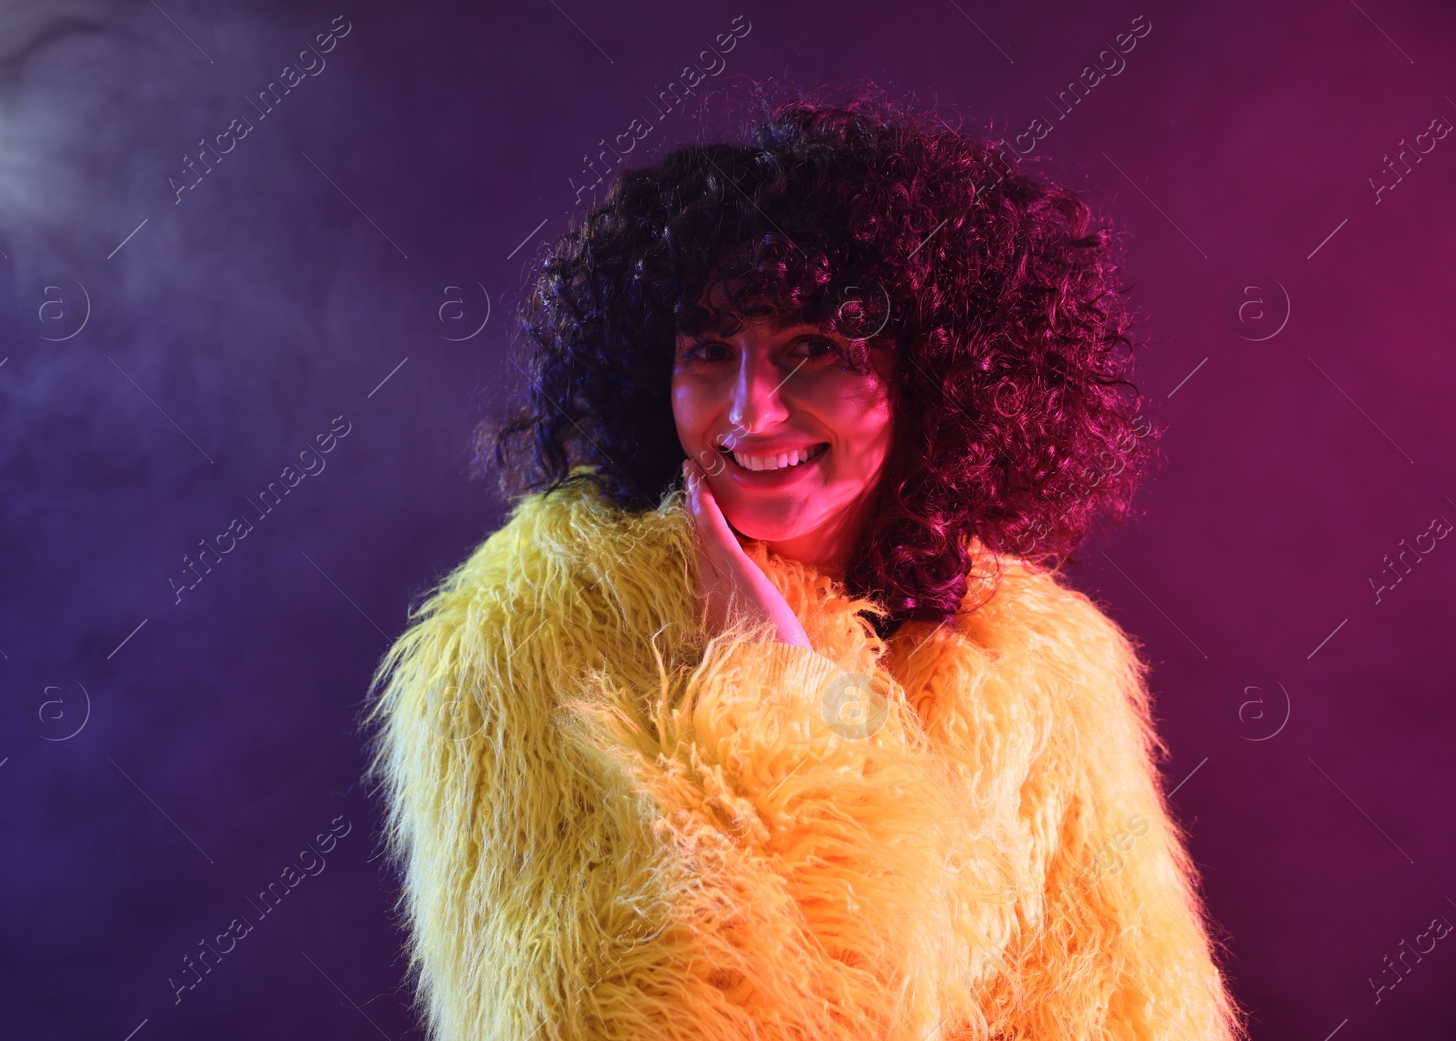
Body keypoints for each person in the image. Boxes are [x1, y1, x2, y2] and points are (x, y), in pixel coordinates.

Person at [361, 86, 1246, 1041]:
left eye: (812, 347)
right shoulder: (527, 641)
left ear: (933, 370)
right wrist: (766, 706)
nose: (750, 410)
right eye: (707, 351)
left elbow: (1129, 1014)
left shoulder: (1040, 669)